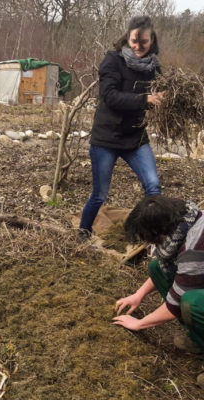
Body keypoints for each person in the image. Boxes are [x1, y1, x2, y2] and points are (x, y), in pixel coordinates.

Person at [79, 16, 164, 240]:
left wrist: (167, 101)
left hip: (135, 138)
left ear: (152, 39)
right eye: (133, 40)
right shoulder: (112, 60)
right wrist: (145, 99)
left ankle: (149, 237)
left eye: (143, 42)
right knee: (99, 195)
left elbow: (161, 93)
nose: (137, 46)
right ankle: (82, 234)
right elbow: (110, 97)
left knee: (154, 188)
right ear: (127, 37)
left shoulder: (153, 67)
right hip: (106, 139)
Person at [113, 195, 204, 387]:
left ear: (158, 232)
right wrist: (138, 295)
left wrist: (139, 324)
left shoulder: (194, 248)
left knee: (192, 302)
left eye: (148, 239)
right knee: (157, 268)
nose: (149, 244)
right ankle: (199, 339)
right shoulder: (185, 219)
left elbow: (175, 304)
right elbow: (170, 272)